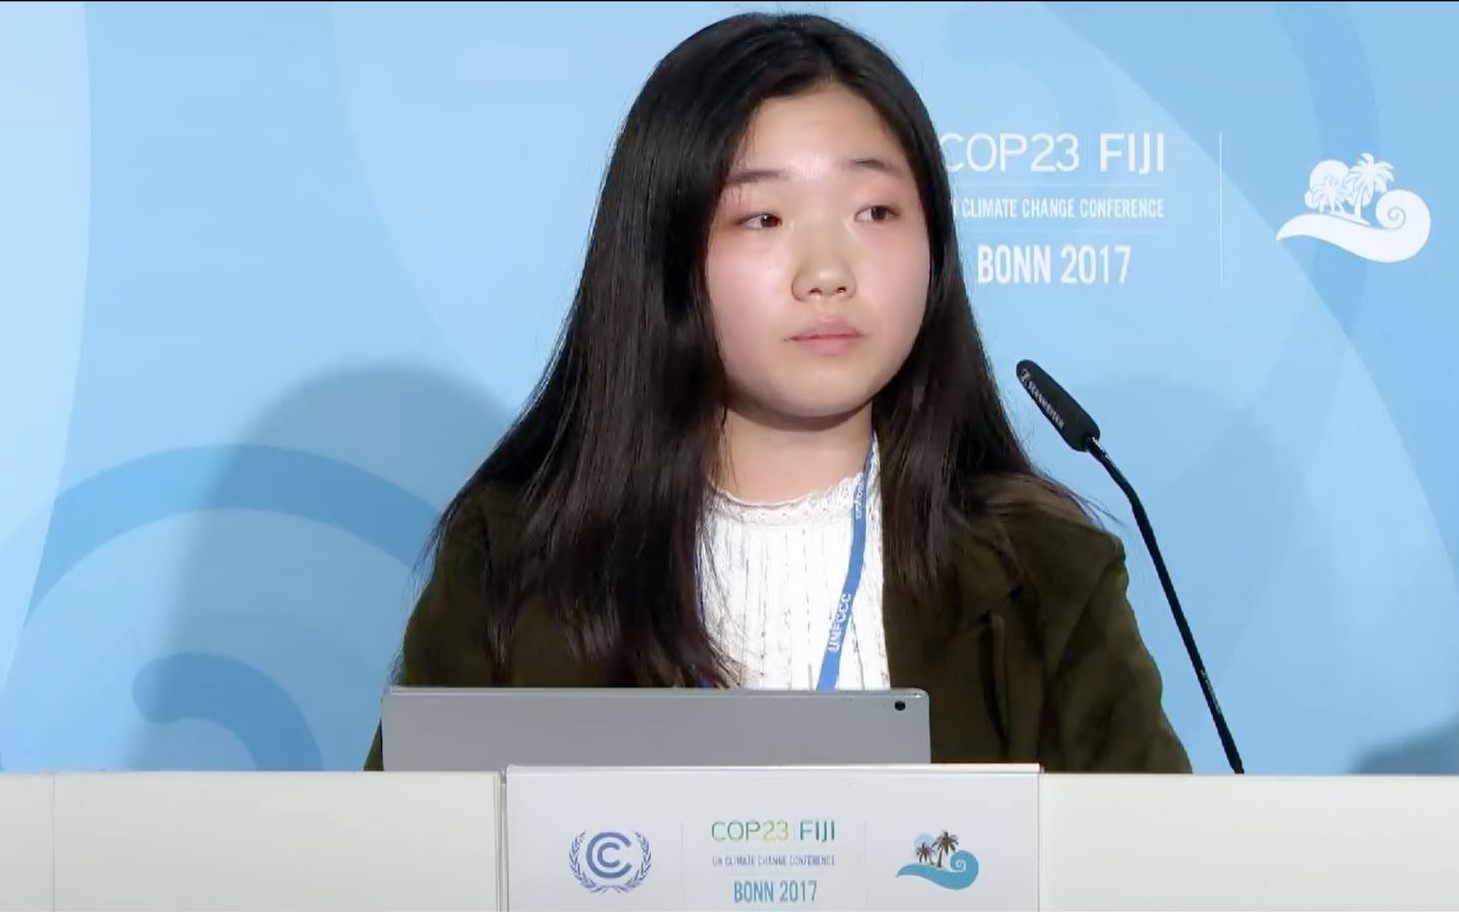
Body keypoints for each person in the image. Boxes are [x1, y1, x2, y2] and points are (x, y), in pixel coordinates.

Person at [363, 11, 1191, 773]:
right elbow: (406, 857)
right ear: (664, 257)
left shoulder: (1044, 571)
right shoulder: (516, 563)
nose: (828, 272)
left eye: (875, 212)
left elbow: (1156, 859)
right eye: (763, 219)